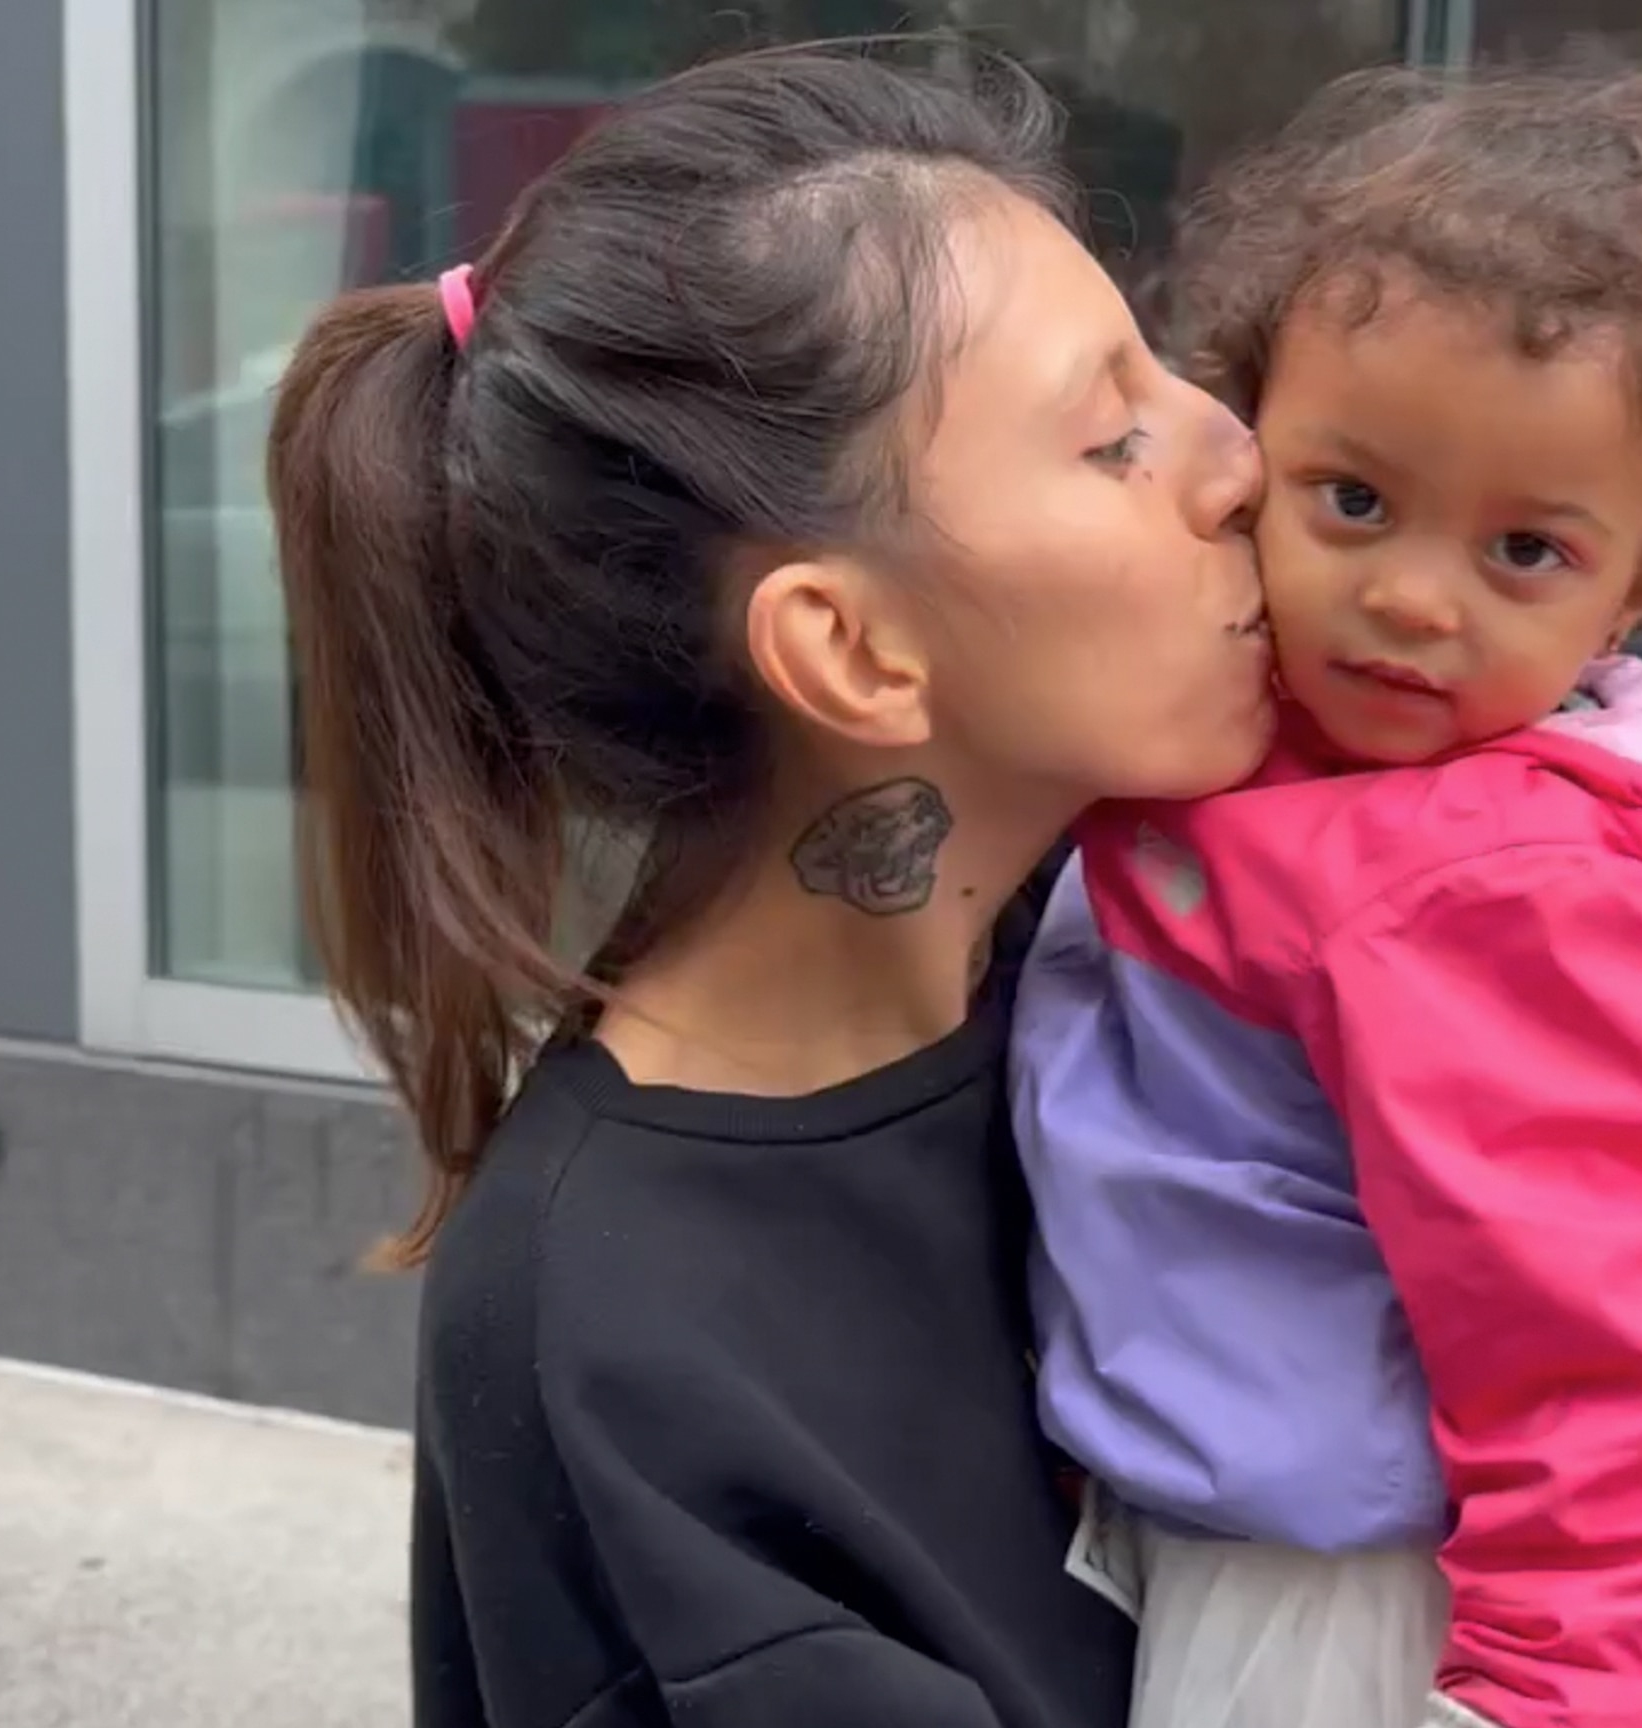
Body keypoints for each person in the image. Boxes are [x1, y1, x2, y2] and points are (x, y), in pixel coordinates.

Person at [264, 42, 1279, 1728]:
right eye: (1112, 438)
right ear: (849, 649)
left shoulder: (1149, 960)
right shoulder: (612, 1327)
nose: (1235, 453)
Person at [1014, 59, 1642, 1728]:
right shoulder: (1292, 746)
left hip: (1412, 1623)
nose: (1415, 602)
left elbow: (1623, 1392)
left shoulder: (1508, 904)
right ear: (1243, 452)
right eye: (1352, 502)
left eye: (1526, 553)